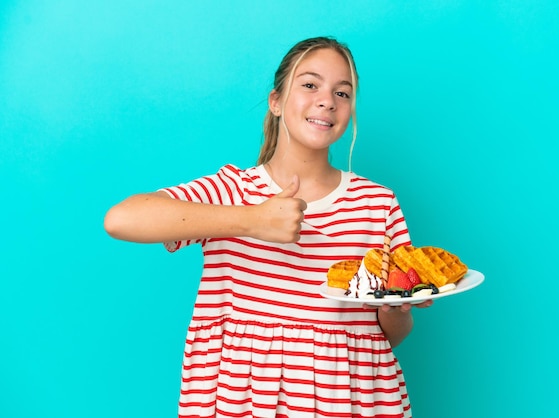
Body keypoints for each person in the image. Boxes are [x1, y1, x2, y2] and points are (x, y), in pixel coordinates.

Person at [104, 36, 431, 418]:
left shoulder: (377, 203)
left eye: (342, 92)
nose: (327, 100)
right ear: (275, 101)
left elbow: (387, 335)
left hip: (349, 400)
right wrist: (252, 219)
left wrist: (397, 309)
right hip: (242, 402)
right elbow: (121, 219)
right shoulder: (232, 190)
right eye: (310, 85)